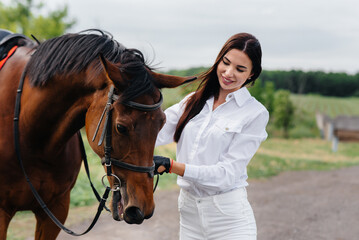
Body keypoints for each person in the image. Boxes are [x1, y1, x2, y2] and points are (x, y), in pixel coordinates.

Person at [154, 32, 269, 240]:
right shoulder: (193, 101)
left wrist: (172, 166)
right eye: (225, 63)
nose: (228, 72)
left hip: (229, 219)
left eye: (240, 69)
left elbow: (226, 175)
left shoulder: (255, 113)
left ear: (252, 74)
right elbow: (155, 132)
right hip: (189, 216)